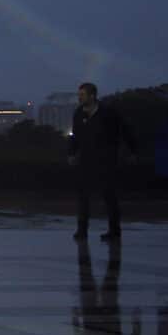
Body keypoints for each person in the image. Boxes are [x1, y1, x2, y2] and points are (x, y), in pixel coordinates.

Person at [69, 81, 135, 243]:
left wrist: (132, 150)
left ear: (92, 96)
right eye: (79, 95)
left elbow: (123, 130)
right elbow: (75, 135)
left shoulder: (108, 113)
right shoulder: (78, 113)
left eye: (82, 95)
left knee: (109, 196)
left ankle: (114, 231)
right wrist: (72, 153)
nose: (79, 98)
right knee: (83, 196)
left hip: (105, 160)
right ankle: (82, 229)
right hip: (85, 160)